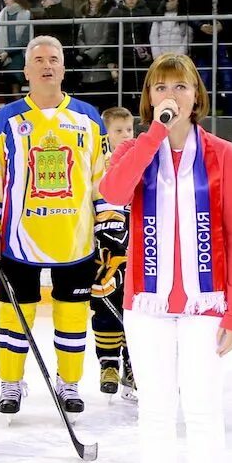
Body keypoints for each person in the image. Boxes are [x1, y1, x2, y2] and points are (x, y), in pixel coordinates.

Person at [100, 53, 232, 463]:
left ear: (197, 95)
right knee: (155, 415)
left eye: (181, 87)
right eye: (160, 87)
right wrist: (150, 138)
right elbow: (112, 191)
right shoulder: (135, 150)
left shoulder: (223, 157)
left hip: (205, 307)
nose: (171, 95)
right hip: (147, 306)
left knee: (205, 415)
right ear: (150, 97)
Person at [0, 36, 111, 414]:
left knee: (72, 315)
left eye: (54, 58)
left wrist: (106, 224)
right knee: (15, 315)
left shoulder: (89, 118)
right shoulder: (7, 117)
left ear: (64, 68)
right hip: (19, 238)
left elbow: (102, 176)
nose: (46, 65)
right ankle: (11, 383)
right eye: (38, 59)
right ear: (26, 70)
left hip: (77, 238)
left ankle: (68, 384)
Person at [91, 106, 138, 401]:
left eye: (129, 130)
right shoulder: (95, 167)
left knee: (136, 314)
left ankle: (133, 366)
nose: (125, 135)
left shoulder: (140, 164)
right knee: (105, 309)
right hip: (104, 258)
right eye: (118, 130)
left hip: (137, 256)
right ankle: (108, 364)